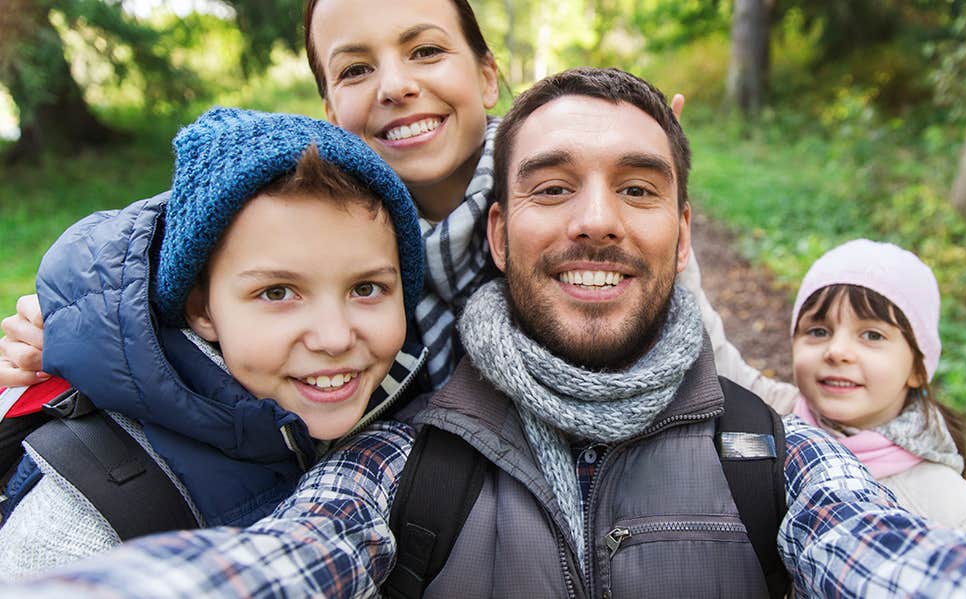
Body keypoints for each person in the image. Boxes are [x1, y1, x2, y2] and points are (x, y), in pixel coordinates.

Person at [0, 68, 966, 599]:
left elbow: (912, 566)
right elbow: (272, 562)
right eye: (552, 186)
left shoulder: (776, 454)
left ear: (683, 234)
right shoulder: (399, 456)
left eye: (638, 187)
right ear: (492, 233)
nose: (596, 216)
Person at [0, 0, 688, 393]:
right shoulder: (311, 222)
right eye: (356, 69)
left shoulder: (574, 212)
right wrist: (67, 322)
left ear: (485, 76)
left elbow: (704, 357)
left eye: (424, 52)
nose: (394, 86)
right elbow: (181, 244)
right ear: (331, 111)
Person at [0, 107, 427, 577]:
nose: (334, 337)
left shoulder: (405, 383)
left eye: (366, 288)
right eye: (278, 292)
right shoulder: (83, 519)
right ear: (202, 309)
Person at [730, 238, 966, 539]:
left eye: (872, 335)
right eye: (818, 331)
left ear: (917, 368)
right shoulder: (775, 416)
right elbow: (712, 350)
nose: (837, 351)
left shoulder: (952, 510)